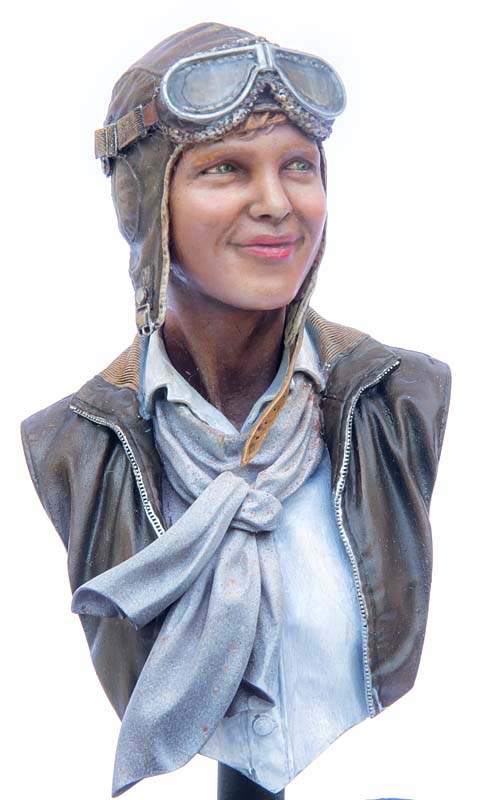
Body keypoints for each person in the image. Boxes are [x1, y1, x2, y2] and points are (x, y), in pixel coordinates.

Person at [20, 21, 451, 800]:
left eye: (299, 166)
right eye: (225, 169)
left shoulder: (398, 401)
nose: (277, 204)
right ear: (147, 204)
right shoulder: (76, 446)